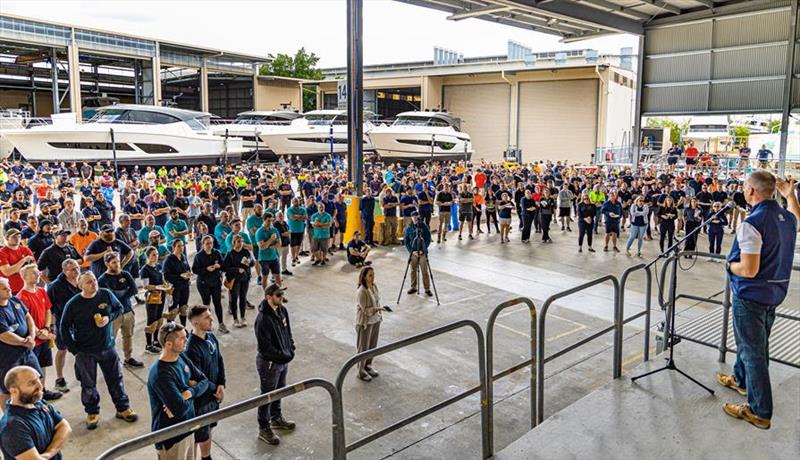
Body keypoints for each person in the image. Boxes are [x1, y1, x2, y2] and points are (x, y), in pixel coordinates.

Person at [720, 172, 798, 430]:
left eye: (744, 186)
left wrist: (731, 266)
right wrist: (790, 196)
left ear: (752, 191)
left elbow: (749, 269)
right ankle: (740, 380)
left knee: (754, 352)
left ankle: (760, 411)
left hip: (751, 295)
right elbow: (797, 219)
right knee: (752, 342)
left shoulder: (751, 223)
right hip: (774, 293)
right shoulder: (785, 217)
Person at [58, 271, 138, 429]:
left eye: (94, 280)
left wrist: (109, 317)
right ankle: (92, 412)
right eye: (88, 282)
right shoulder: (73, 304)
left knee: (116, 379)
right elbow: (64, 327)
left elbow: (119, 308)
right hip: (85, 351)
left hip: (107, 347)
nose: (93, 283)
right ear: (80, 285)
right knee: (88, 384)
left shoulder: (106, 294)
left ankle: (122, 408)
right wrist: (75, 350)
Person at [147, 322, 208, 460]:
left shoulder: (181, 357)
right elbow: (179, 410)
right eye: (182, 338)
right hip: (172, 438)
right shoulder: (160, 374)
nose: (186, 340)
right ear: (168, 344)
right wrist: (191, 389)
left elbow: (204, 381)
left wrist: (188, 393)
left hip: (188, 429)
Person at [254, 283, 296, 446]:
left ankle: (276, 418)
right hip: (269, 363)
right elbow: (265, 348)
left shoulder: (282, 311)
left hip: (283, 360)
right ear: (268, 297)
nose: (281, 297)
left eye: (281, 294)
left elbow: (288, 332)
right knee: (267, 395)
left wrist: (290, 348)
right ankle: (263, 427)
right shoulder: (262, 319)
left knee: (279, 390)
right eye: (278, 295)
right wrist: (282, 355)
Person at [0, 365, 72, 460]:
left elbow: (65, 427)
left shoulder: (39, 403)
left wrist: (49, 453)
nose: (40, 386)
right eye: (32, 383)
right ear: (14, 391)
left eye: (39, 379)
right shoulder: (12, 426)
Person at [184, 306, 226, 460]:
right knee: (197, 434)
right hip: (200, 401)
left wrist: (221, 383)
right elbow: (197, 379)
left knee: (208, 429)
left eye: (210, 316)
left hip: (213, 396)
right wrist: (216, 388)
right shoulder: (191, 348)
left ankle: (206, 457)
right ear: (195, 322)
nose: (211, 319)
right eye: (207, 317)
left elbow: (219, 360)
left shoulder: (211, 337)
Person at [16, 265, 62, 401]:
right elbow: (26, 319)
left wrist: (47, 328)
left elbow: (48, 310)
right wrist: (37, 332)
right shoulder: (21, 297)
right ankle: (34, 395)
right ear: (24, 277)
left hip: (44, 337)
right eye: (34, 273)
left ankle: (42, 390)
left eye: (37, 272)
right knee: (32, 369)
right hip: (33, 341)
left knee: (43, 365)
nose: (38, 275)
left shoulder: (41, 291)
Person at [0, 277, 43, 412]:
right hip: (7, 356)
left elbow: (28, 317)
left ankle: (37, 407)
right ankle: (9, 415)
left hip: (26, 351)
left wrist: (31, 336)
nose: (9, 289)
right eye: (4, 288)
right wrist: (24, 342)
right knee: (8, 388)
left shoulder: (15, 301)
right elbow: (4, 335)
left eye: (8, 286)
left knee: (36, 377)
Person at [98, 252, 143, 368]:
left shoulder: (126, 274)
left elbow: (134, 290)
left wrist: (118, 296)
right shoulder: (103, 279)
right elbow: (107, 296)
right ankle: (110, 361)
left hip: (128, 311)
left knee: (128, 336)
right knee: (110, 338)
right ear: (107, 264)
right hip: (113, 314)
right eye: (114, 262)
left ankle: (128, 358)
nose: (117, 264)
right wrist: (123, 295)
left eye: (118, 261)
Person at [46, 259, 81, 393]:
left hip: (81, 322)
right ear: (65, 271)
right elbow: (49, 308)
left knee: (82, 349)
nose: (77, 271)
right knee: (62, 350)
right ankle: (59, 379)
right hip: (63, 323)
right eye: (73, 269)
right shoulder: (55, 286)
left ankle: (82, 373)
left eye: (77, 267)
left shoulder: (81, 281)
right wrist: (51, 326)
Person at [355, 266, 387, 382]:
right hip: (365, 323)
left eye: (373, 275)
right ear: (364, 277)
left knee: (372, 346)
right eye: (370, 275)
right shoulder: (361, 291)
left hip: (375, 320)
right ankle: (361, 371)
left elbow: (377, 300)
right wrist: (379, 308)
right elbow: (366, 311)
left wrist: (379, 311)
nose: (372, 278)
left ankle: (368, 366)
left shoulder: (374, 286)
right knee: (363, 347)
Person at [192, 235, 227, 334]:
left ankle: (221, 323)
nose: (209, 245)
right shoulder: (199, 256)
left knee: (217, 303)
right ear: (202, 244)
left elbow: (223, 265)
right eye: (207, 244)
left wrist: (219, 265)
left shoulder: (217, 253)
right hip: (203, 283)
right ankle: (208, 325)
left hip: (215, 282)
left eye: (211, 243)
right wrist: (206, 269)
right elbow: (194, 269)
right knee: (206, 305)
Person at [223, 234, 254, 327]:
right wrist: (237, 269)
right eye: (239, 242)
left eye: (242, 241)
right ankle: (235, 319)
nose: (241, 243)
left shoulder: (246, 252)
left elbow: (252, 262)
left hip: (245, 278)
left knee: (243, 298)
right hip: (234, 280)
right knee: (234, 299)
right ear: (234, 243)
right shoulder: (230, 254)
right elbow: (225, 267)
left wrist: (249, 262)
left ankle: (243, 317)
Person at [140, 247, 167, 354]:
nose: (156, 257)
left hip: (161, 294)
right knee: (151, 320)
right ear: (148, 256)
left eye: (156, 254)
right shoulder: (145, 269)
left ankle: (156, 340)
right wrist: (158, 287)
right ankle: (148, 344)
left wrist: (166, 285)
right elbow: (146, 286)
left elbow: (162, 279)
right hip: (152, 297)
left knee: (159, 319)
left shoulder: (159, 266)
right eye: (153, 255)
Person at [403, 211, 433, 296]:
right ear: (411, 218)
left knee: (424, 270)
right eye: (413, 216)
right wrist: (412, 251)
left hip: (422, 252)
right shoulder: (409, 228)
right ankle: (413, 287)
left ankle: (427, 289)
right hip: (414, 253)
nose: (415, 218)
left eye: (416, 216)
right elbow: (406, 241)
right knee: (413, 270)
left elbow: (428, 238)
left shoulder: (424, 226)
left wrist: (423, 250)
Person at [0, 228, 35, 295]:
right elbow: (7, 272)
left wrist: (15, 269)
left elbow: (34, 268)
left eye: (19, 237)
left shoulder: (25, 249)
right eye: (14, 237)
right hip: (10, 290)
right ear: (7, 238)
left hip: (26, 288)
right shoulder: (2, 252)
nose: (17, 239)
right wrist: (24, 260)